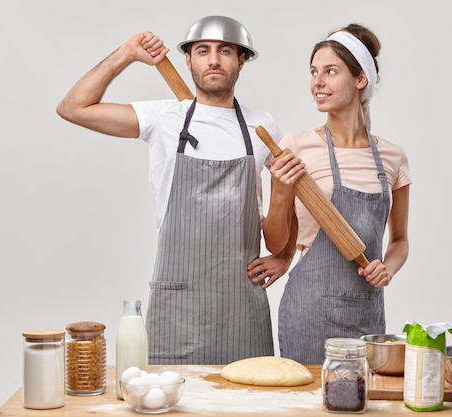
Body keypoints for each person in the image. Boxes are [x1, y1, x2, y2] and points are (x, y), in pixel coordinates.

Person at [57, 15, 295, 364]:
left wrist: (285, 257)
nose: (213, 59)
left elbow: (291, 198)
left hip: (241, 304)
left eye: (225, 51)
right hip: (177, 306)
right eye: (203, 50)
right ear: (188, 60)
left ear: (241, 60)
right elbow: (73, 108)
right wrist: (126, 54)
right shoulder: (163, 117)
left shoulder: (262, 127)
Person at [257, 23, 411, 364]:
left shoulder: (392, 156)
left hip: (366, 314)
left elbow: (400, 239)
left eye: (330, 71)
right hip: (308, 311)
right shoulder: (295, 147)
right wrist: (281, 191)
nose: (317, 82)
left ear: (360, 79)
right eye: (314, 72)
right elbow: (275, 242)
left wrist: (387, 268)